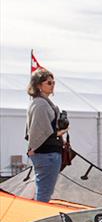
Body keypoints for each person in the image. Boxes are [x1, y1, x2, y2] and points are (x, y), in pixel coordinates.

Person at [25, 69, 68, 202]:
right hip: (46, 154)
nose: (52, 85)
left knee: (43, 190)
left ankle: (37, 217)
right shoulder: (41, 105)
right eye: (49, 83)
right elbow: (39, 131)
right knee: (44, 193)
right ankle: (38, 220)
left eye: (53, 82)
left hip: (46, 153)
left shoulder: (42, 103)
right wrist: (61, 132)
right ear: (38, 85)